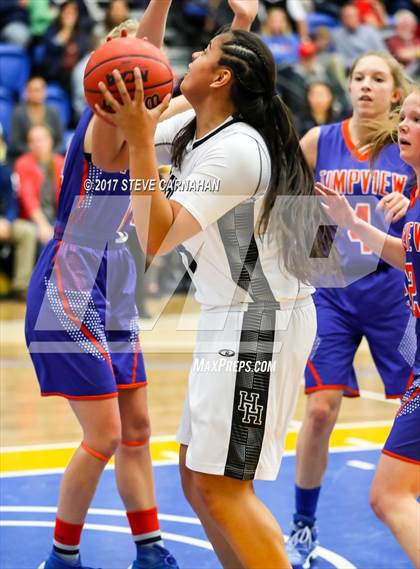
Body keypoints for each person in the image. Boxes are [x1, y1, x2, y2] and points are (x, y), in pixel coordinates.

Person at [91, 4, 334, 567]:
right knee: (197, 480)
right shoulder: (205, 125)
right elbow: (122, 142)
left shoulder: (236, 149)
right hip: (232, 317)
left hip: (260, 326)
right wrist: (124, 92)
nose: (192, 55)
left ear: (222, 78)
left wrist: (139, 137)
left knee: (223, 486)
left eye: (205, 53)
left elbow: (156, 237)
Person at [25, 3, 183, 569]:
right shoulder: (106, 125)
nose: (138, 53)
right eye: (126, 47)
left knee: (138, 427)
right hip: (69, 287)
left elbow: (191, 88)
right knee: (106, 434)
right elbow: (148, 70)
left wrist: (229, 30)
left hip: (113, 286)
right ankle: (61, 558)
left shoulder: (144, 121)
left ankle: (150, 550)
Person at [285, 51, 415, 569]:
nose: (365, 86)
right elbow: (289, 202)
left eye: (377, 78)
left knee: (416, 408)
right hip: (333, 293)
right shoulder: (320, 141)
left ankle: (407, 505)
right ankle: (302, 524)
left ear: (395, 93)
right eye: (358, 76)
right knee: (319, 410)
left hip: (393, 294)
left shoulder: (408, 144)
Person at [315, 86, 420, 569]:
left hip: (396, 321)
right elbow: (406, 255)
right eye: (406, 117)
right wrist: (348, 222)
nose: (405, 126)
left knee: (389, 496)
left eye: (416, 119)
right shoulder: (412, 192)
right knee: (390, 494)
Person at [0, 125, 37, 300]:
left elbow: (11, 202)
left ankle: (21, 286)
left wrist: (7, 220)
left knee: (28, 232)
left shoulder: (4, 171)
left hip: (3, 224)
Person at [15, 125, 64, 246]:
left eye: (41, 139)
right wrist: (42, 224)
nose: (38, 144)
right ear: (29, 145)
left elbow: (67, 196)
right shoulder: (23, 164)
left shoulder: (60, 162)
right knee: (45, 237)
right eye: (33, 141)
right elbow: (28, 199)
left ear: (50, 141)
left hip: (57, 219)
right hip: (33, 221)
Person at [8, 76, 64, 165]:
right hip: (26, 158)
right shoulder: (18, 113)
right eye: (33, 90)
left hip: (50, 158)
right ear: (27, 92)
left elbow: (60, 141)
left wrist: (49, 154)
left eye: (39, 89)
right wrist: (36, 153)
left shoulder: (53, 112)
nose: (37, 93)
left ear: (45, 92)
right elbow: (15, 143)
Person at [332, 3, 386, 70]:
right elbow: (339, 58)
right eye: (346, 17)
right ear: (342, 19)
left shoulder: (371, 31)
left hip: (373, 66)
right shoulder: (337, 36)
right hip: (351, 70)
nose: (349, 19)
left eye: (352, 16)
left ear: (358, 17)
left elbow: (383, 52)